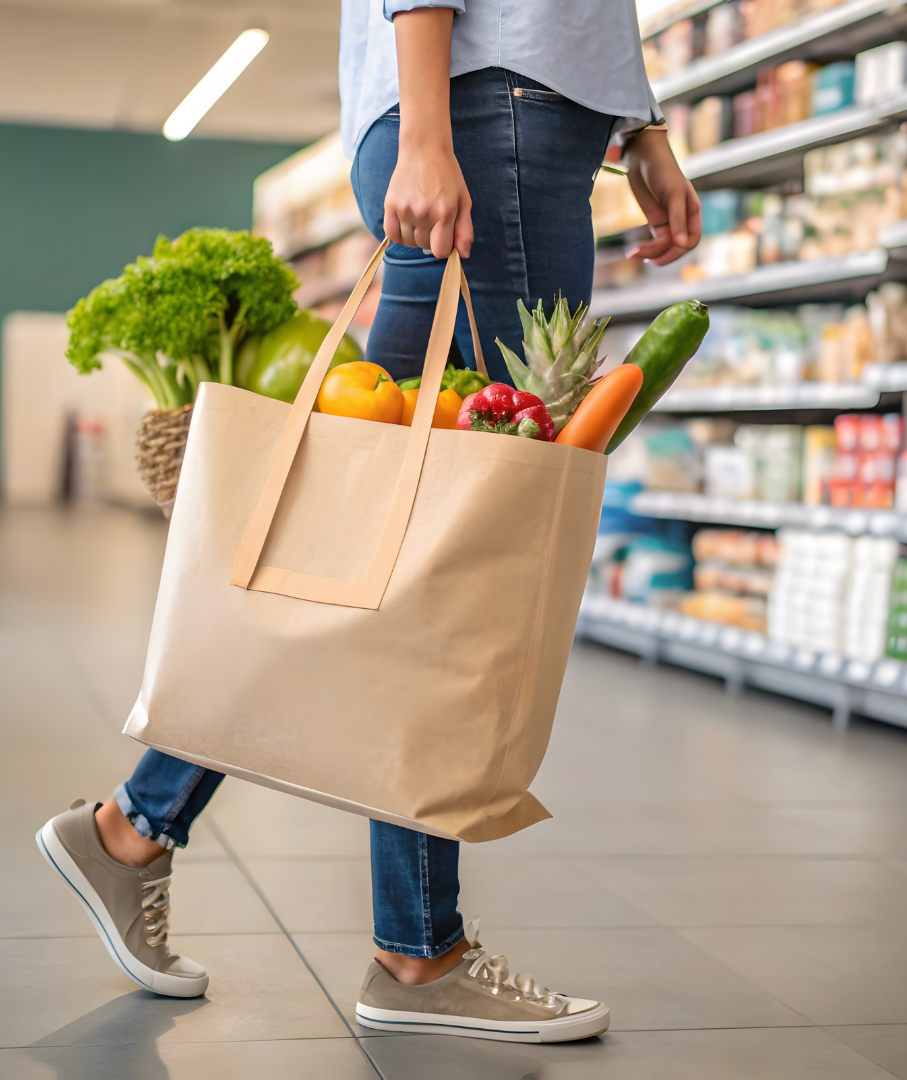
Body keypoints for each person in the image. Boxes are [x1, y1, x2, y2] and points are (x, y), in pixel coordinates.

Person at [37, 0, 701, 1044]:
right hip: (491, 115)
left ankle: (137, 827)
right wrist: (434, 139)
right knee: (456, 536)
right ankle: (417, 949)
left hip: (518, 113)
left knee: (381, 526)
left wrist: (641, 125)